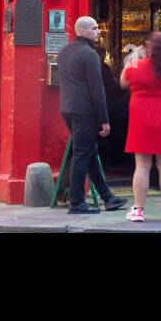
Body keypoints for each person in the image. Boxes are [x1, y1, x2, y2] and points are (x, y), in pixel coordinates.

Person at [56, 16, 125, 214]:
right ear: (84, 32)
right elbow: (97, 90)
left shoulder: (64, 52)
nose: (98, 31)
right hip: (84, 112)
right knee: (82, 154)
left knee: (89, 152)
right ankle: (76, 202)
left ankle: (108, 197)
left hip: (67, 109)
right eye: (95, 28)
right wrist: (104, 120)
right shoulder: (90, 55)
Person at [121, 32, 161, 222]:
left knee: (141, 166)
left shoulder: (137, 65)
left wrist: (135, 56)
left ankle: (138, 210)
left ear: (148, 47)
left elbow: (123, 82)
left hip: (140, 118)